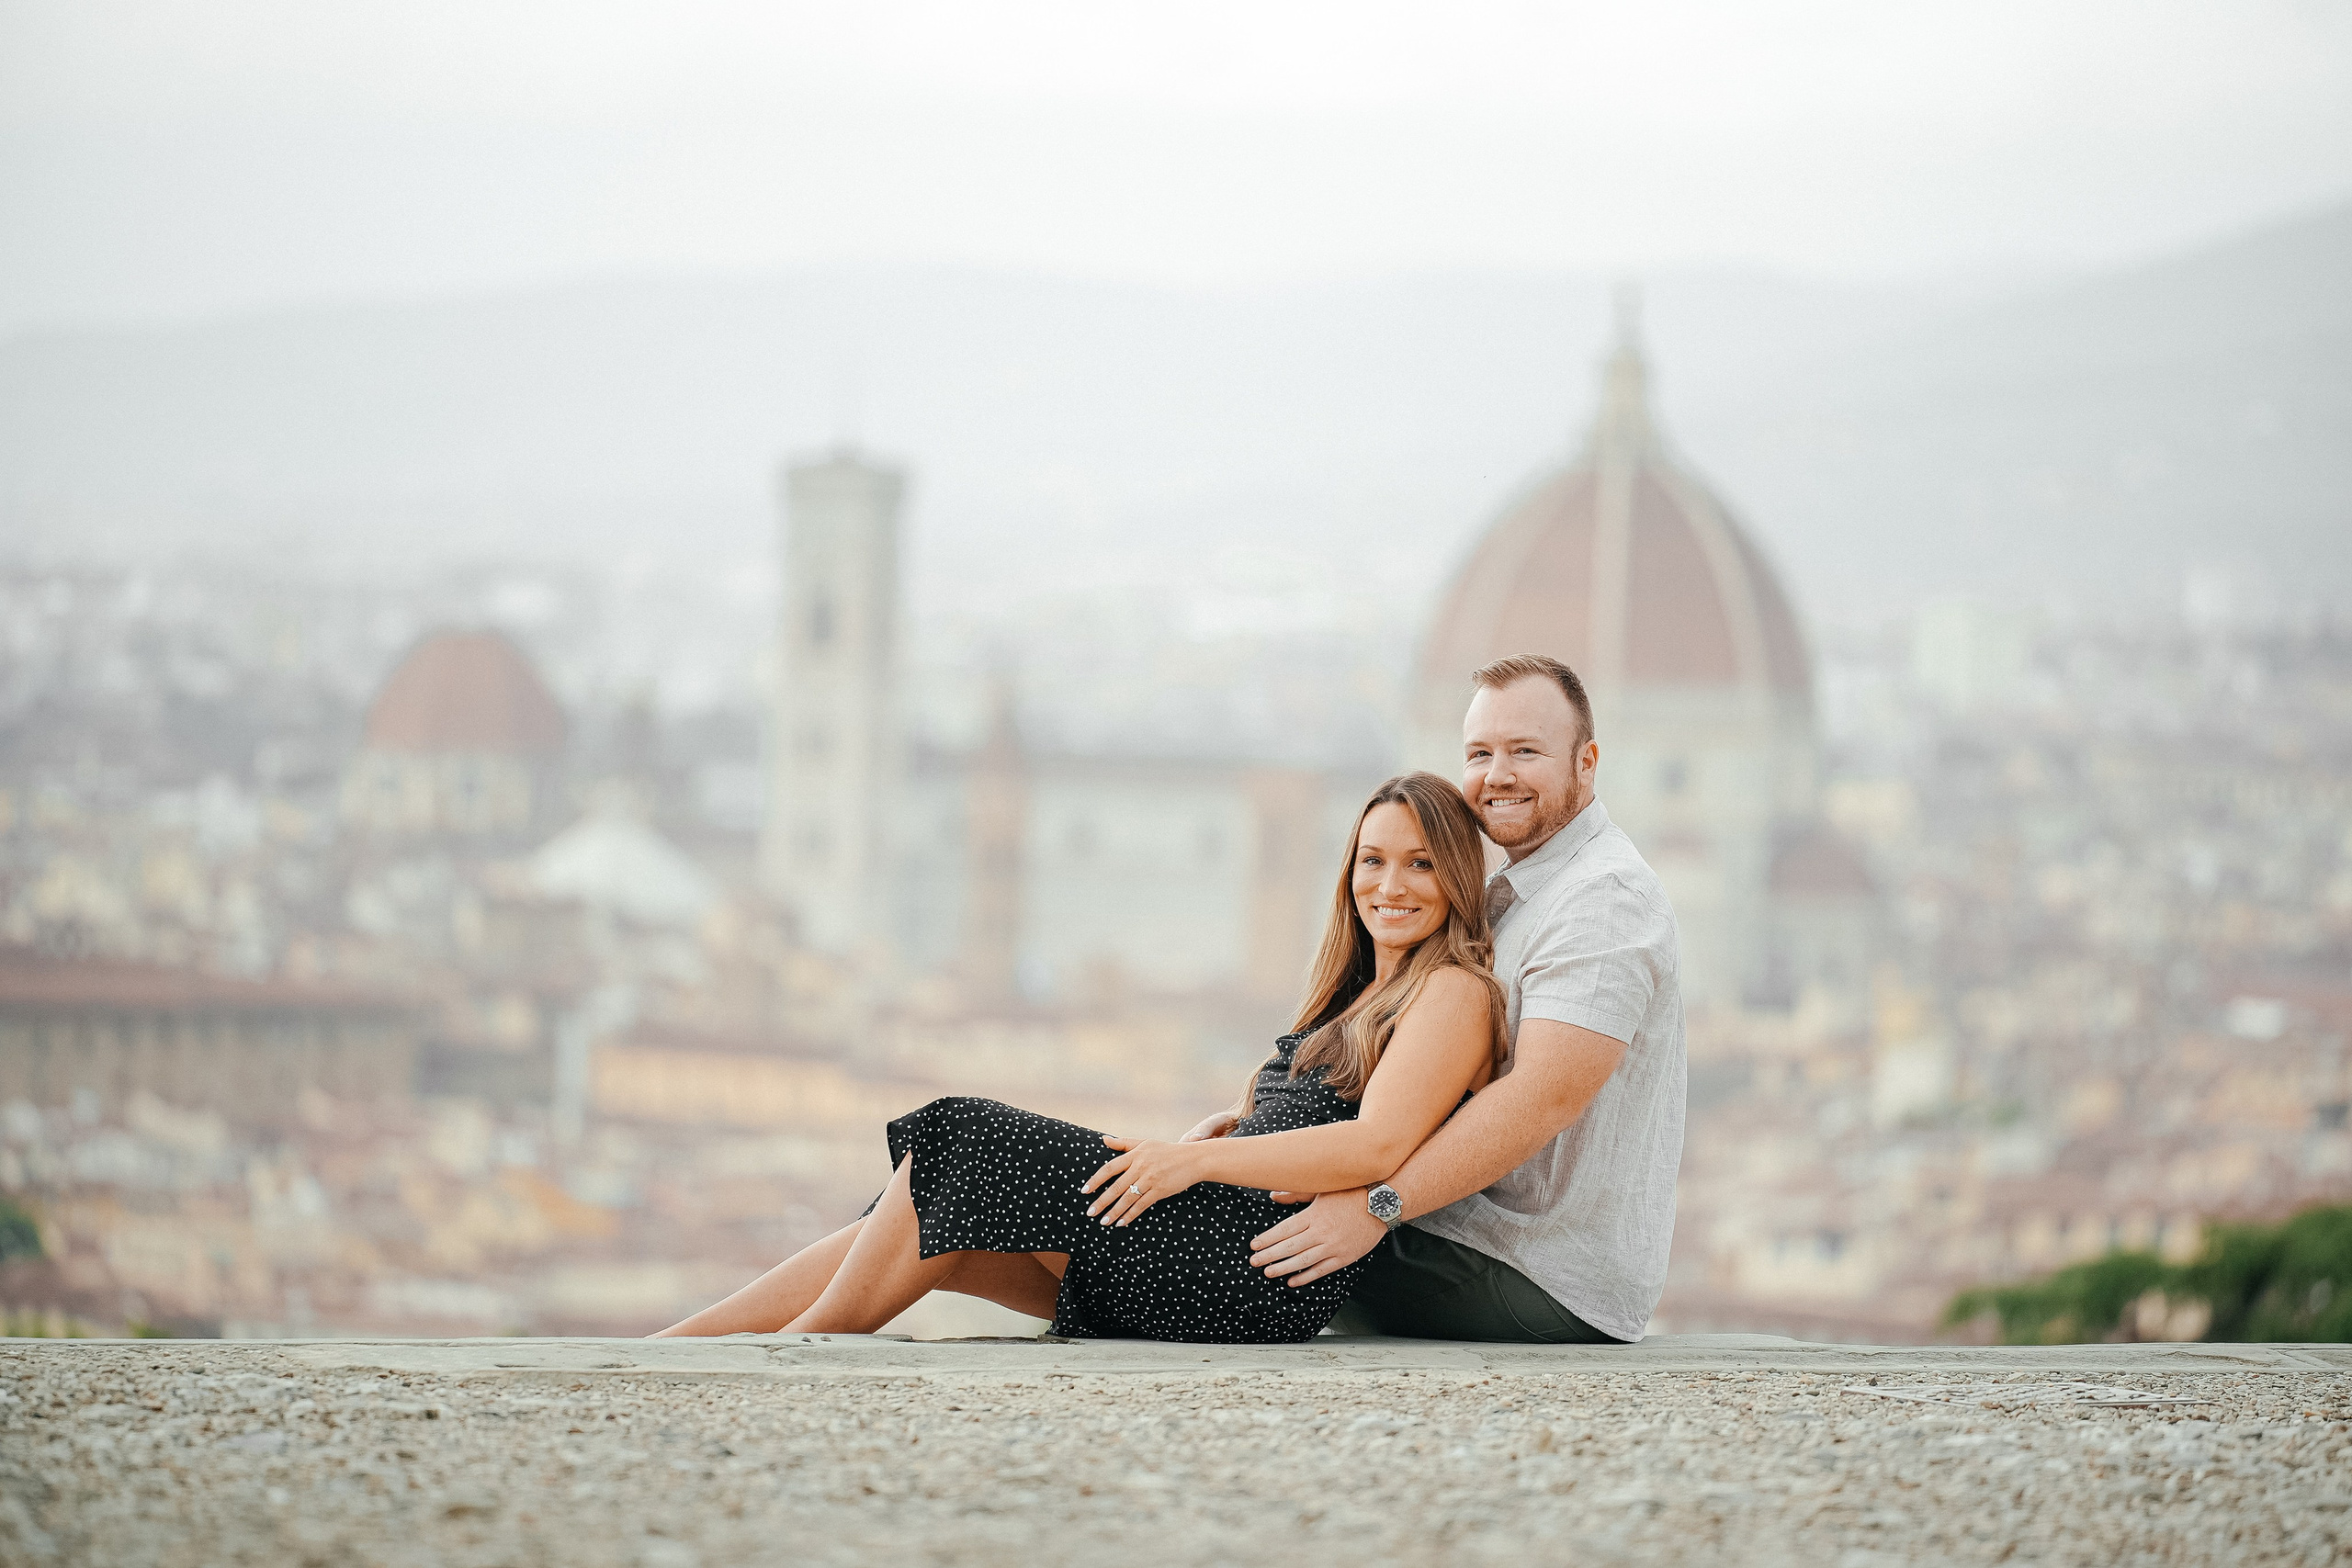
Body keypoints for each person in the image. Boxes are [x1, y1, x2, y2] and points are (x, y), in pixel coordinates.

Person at [653, 771, 1509, 1344]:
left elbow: (1377, 1146)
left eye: (1421, 864)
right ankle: (679, 1350)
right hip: (1224, 1239)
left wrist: (1196, 1157)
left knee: (960, 1135)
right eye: (1373, 860)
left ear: (1458, 877)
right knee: (942, 1223)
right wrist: (1238, 1130)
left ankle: (798, 1354)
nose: (1389, 885)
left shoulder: (1455, 990)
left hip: (1254, 1266)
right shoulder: (1357, 990)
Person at [1245, 653, 1685, 1345]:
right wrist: (1255, 1124)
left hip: (1532, 1272)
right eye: (1479, 753)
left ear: (1587, 761)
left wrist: (1376, 1206)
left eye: (1525, 751)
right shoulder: (1514, 896)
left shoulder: (1602, 899)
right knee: (1189, 1207)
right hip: (1463, 1238)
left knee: (1218, 1214)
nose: (1496, 774)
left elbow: (1543, 1097)